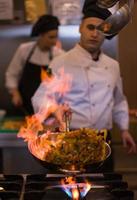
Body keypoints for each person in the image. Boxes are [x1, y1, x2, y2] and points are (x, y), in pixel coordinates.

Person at [32, 4, 136, 172]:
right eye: (90, 27)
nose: (95, 34)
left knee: (104, 191)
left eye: (101, 29)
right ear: (80, 28)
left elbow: (118, 101)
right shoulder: (60, 63)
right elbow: (41, 97)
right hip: (71, 140)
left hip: (103, 141)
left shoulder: (113, 66)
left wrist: (124, 130)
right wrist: (54, 108)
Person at [5, 14, 64, 115]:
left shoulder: (59, 54)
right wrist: (15, 94)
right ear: (41, 35)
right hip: (24, 104)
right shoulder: (24, 50)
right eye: (51, 37)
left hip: (47, 107)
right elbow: (12, 74)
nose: (55, 41)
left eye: (56, 37)